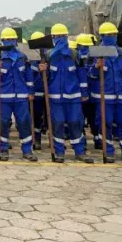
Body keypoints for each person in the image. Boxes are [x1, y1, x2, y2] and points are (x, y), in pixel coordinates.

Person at [86, 22, 122, 163]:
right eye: (108, 35)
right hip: (105, 97)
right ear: (102, 36)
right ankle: (108, 151)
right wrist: (96, 67)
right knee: (105, 123)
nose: (111, 37)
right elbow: (90, 75)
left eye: (114, 34)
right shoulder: (95, 54)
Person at [45, 24, 92, 163]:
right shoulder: (49, 55)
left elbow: (81, 75)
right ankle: (59, 151)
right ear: (53, 38)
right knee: (58, 123)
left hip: (74, 97)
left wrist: (84, 93)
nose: (59, 39)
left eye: (61, 36)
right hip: (56, 98)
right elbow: (45, 77)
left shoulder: (74, 54)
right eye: (56, 37)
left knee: (75, 123)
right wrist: (43, 70)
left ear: (66, 37)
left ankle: (80, 151)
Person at [0, 28, 36, 162]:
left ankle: (27, 150)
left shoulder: (22, 56)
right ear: (2, 41)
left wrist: (30, 92)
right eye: (7, 40)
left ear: (16, 40)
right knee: (2, 123)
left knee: (24, 122)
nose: (10, 42)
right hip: (3, 97)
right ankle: (3, 149)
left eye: (12, 39)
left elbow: (28, 75)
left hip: (21, 96)